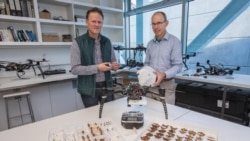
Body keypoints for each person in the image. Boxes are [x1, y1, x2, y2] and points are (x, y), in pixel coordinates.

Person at [70, 7, 120, 108]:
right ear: (87, 22)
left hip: (107, 86)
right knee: (92, 117)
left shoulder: (107, 41)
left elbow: (113, 61)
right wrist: (97, 68)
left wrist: (115, 66)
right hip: (89, 88)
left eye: (99, 22)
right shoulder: (78, 42)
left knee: (109, 113)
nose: (97, 25)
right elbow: (75, 69)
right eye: (93, 21)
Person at [144, 11, 183, 105]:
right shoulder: (150, 44)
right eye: (153, 24)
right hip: (151, 86)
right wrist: (143, 71)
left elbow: (178, 66)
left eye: (159, 23)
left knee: (166, 116)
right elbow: (147, 63)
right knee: (150, 113)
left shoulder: (174, 42)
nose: (156, 27)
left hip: (167, 87)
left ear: (166, 23)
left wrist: (164, 74)